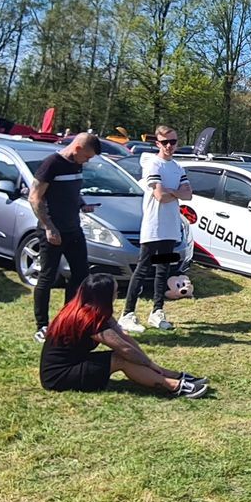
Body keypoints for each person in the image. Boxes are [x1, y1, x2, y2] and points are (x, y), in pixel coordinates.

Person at [39, 274, 208, 398]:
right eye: (114, 291)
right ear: (103, 296)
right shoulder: (89, 318)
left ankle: (172, 376)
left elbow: (124, 337)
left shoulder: (92, 309)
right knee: (121, 359)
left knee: (125, 355)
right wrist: (149, 363)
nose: (117, 294)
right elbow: (124, 349)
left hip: (73, 364)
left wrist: (157, 367)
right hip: (58, 377)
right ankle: (174, 386)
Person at [29, 133, 103, 341]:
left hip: (73, 229)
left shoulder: (76, 165)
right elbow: (34, 198)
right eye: (87, 157)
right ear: (78, 148)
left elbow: (72, 191)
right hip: (52, 230)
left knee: (81, 275)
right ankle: (42, 326)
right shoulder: (51, 164)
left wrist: (82, 205)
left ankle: (68, 318)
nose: (87, 161)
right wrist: (49, 227)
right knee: (48, 276)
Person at [123, 125, 192, 333]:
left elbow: (188, 194)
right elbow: (160, 196)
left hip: (171, 229)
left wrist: (172, 191)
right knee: (143, 269)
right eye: (165, 142)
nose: (170, 146)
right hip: (153, 228)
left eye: (173, 142)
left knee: (163, 270)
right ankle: (127, 314)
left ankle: (157, 311)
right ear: (157, 144)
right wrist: (175, 191)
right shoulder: (153, 165)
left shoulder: (178, 168)